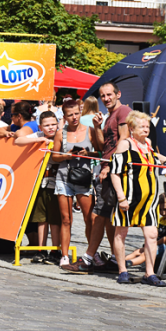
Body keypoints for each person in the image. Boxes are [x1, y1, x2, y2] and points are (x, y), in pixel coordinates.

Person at [63, 82, 129, 274]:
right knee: (105, 217)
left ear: (118, 94)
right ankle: (112, 260)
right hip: (107, 169)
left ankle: (89, 259)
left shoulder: (123, 111)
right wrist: (98, 127)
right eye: (103, 96)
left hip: (113, 171)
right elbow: (102, 147)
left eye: (109, 95)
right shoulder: (109, 117)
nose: (106, 98)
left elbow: (123, 142)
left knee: (98, 215)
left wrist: (110, 166)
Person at [109, 111, 166, 286]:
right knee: (121, 233)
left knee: (152, 234)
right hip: (129, 198)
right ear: (132, 128)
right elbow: (115, 173)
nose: (146, 129)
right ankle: (123, 270)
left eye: (148, 126)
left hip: (149, 200)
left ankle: (150, 273)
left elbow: (155, 157)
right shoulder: (125, 145)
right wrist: (121, 197)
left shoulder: (147, 143)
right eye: (142, 126)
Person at [50, 100, 100, 267]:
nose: (74, 118)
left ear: (81, 112)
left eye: (76, 113)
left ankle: (91, 254)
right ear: (64, 117)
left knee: (89, 219)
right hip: (64, 177)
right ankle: (64, 255)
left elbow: (100, 151)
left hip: (84, 178)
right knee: (66, 219)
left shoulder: (89, 131)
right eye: (70, 115)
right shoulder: (60, 133)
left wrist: (88, 153)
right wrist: (66, 156)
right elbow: (54, 156)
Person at [16, 111, 61, 264]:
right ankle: (41, 249)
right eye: (47, 125)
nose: (50, 128)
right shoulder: (39, 135)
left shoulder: (61, 135)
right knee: (41, 219)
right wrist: (41, 139)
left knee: (55, 219)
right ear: (41, 126)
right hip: (41, 182)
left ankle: (56, 251)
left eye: (53, 124)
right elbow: (18, 140)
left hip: (57, 182)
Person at [125, 193, 166, 269]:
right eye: (160, 209)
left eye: (165, 209)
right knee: (137, 251)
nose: (162, 212)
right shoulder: (161, 219)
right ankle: (121, 260)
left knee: (145, 254)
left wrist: (154, 243)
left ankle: (128, 263)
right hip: (157, 244)